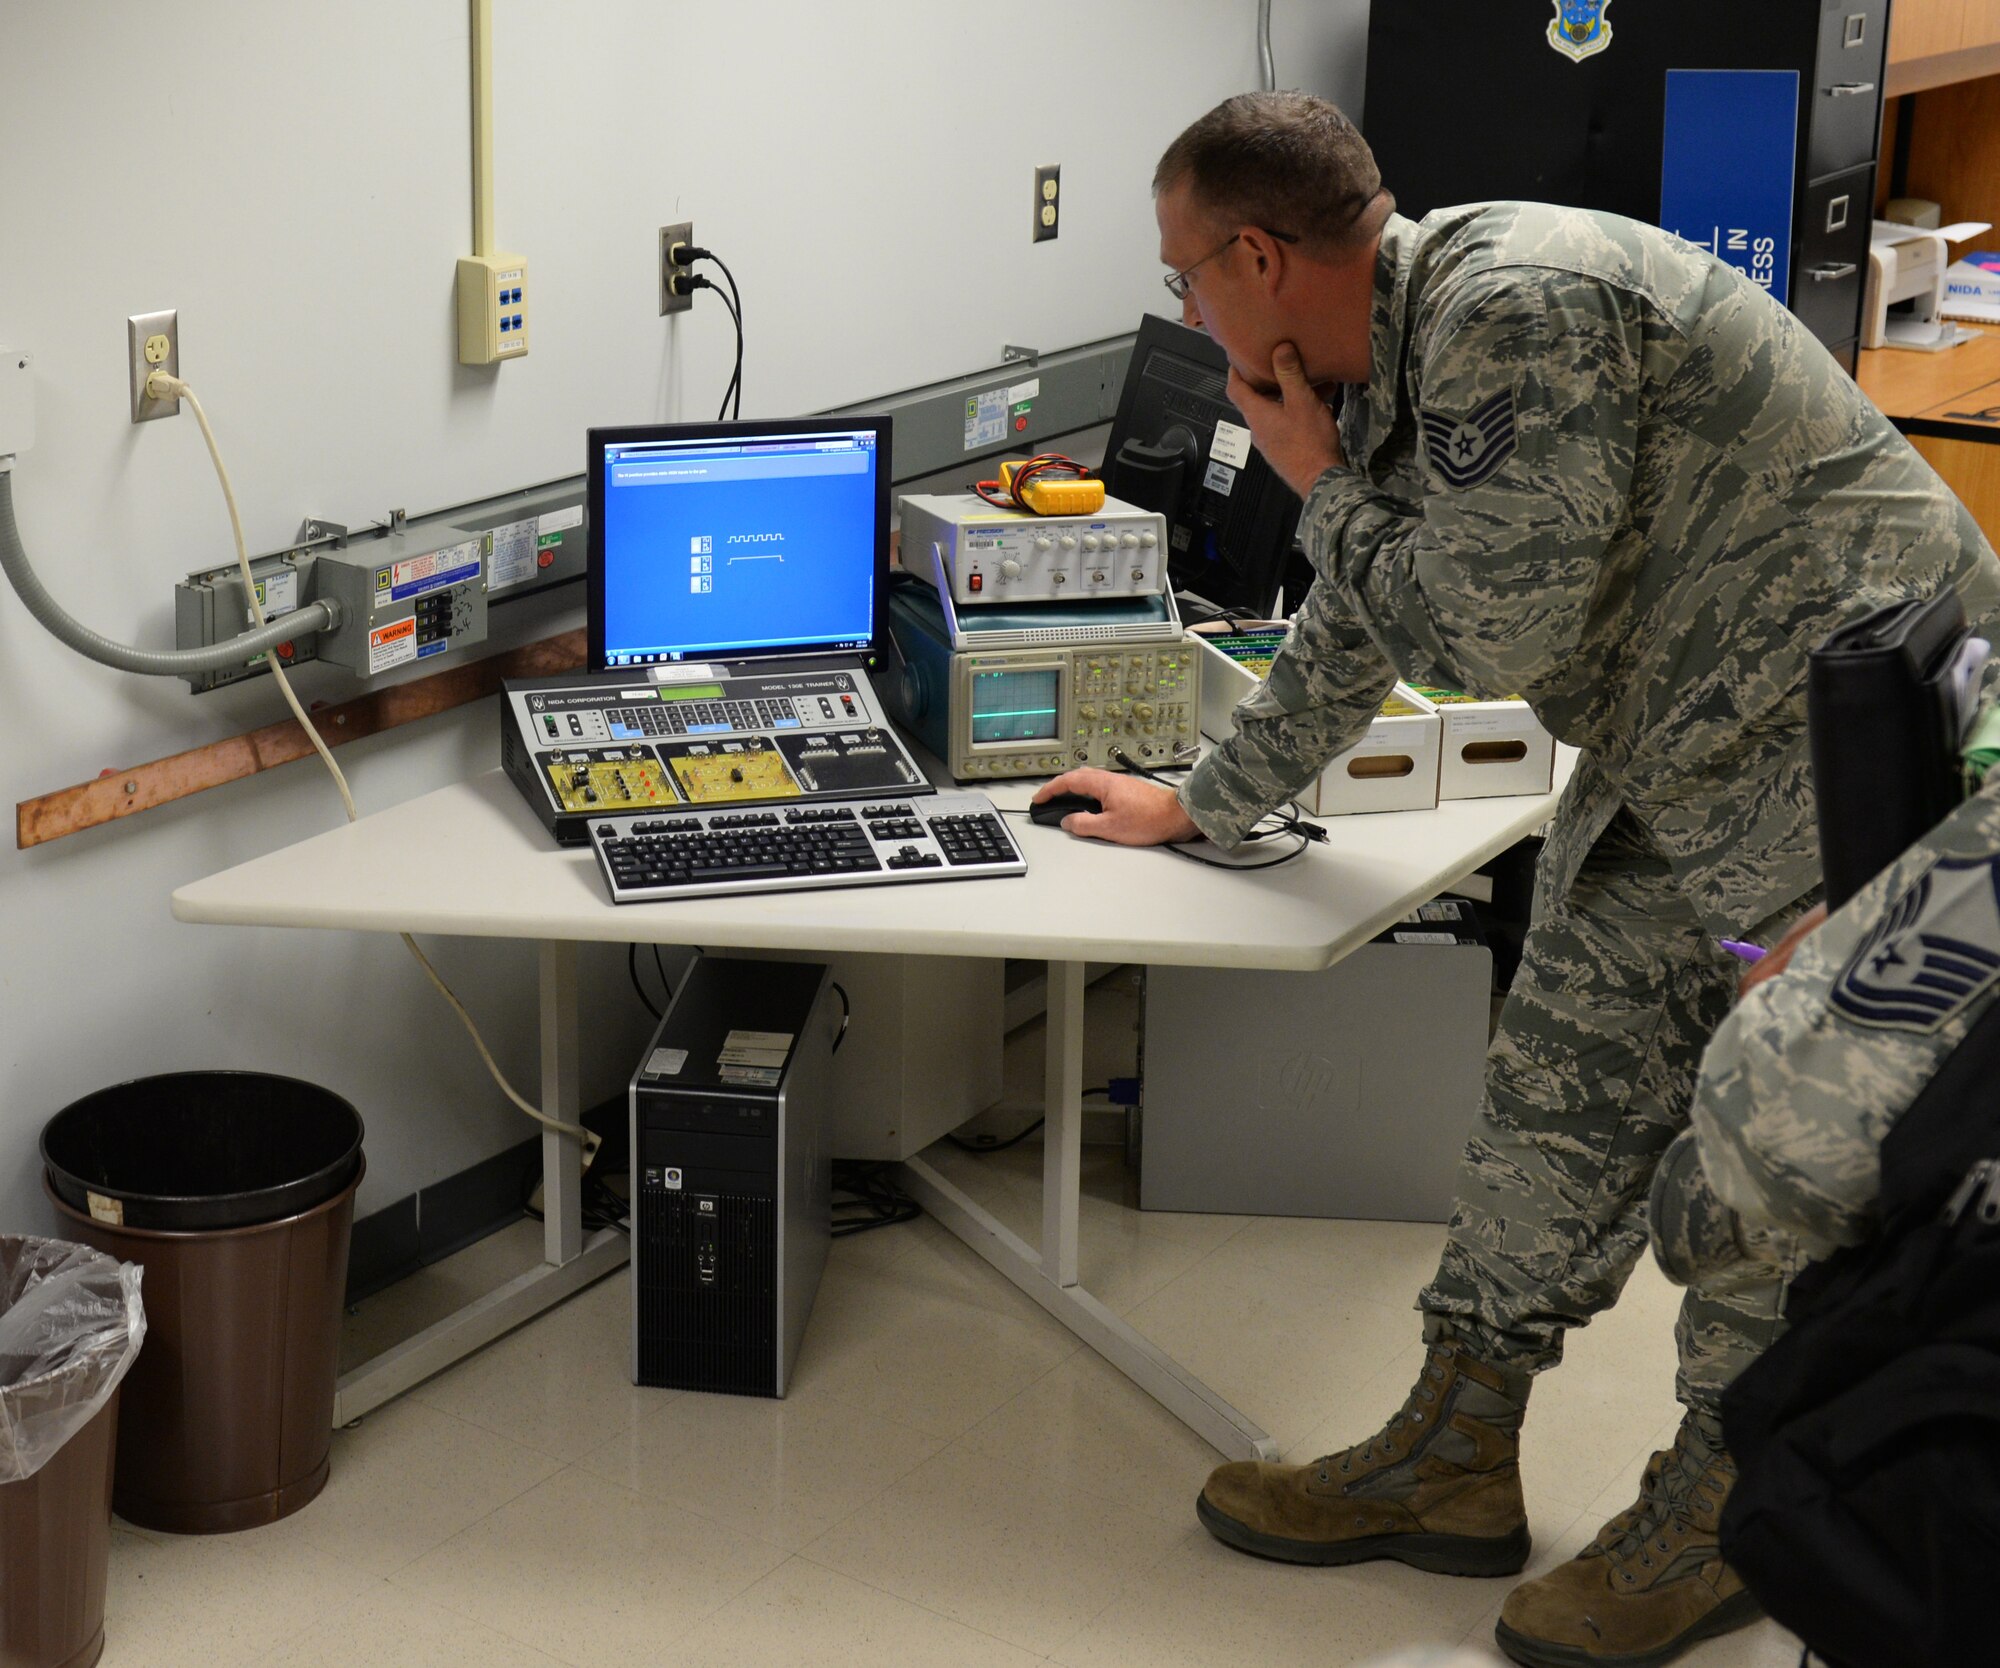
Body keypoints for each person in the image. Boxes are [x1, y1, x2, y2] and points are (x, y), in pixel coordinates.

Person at [1033, 90, 2000, 1668]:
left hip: (1837, 771)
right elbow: (1366, 617)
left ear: (1259, 256)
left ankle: (1724, 1501)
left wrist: (1314, 482)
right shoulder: (1390, 355)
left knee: (1775, 1165)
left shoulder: (1514, 313)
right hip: (1678, 746)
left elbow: (1489, 642)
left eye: (1184, 276)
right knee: (1555, 1087)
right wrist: (1206, 800)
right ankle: (1455, 1448)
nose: (1185, 309)